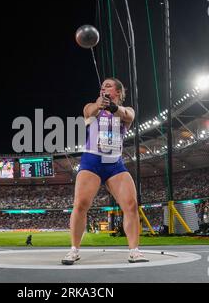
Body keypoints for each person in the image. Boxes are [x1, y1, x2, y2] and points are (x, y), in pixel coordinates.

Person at [62, 78, 149, 265]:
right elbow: (87, 111)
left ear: (118, 92)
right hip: (92, 160)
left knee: (131, 205)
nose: (103, 88)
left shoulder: (127, 110)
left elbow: (128, 116)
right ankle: (74, 250)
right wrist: (99, 105)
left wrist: (113, 108)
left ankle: (134, 251)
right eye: (102, 86)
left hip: (114, 164)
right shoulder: (93, 107)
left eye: (108, 86)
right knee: (80, 204)